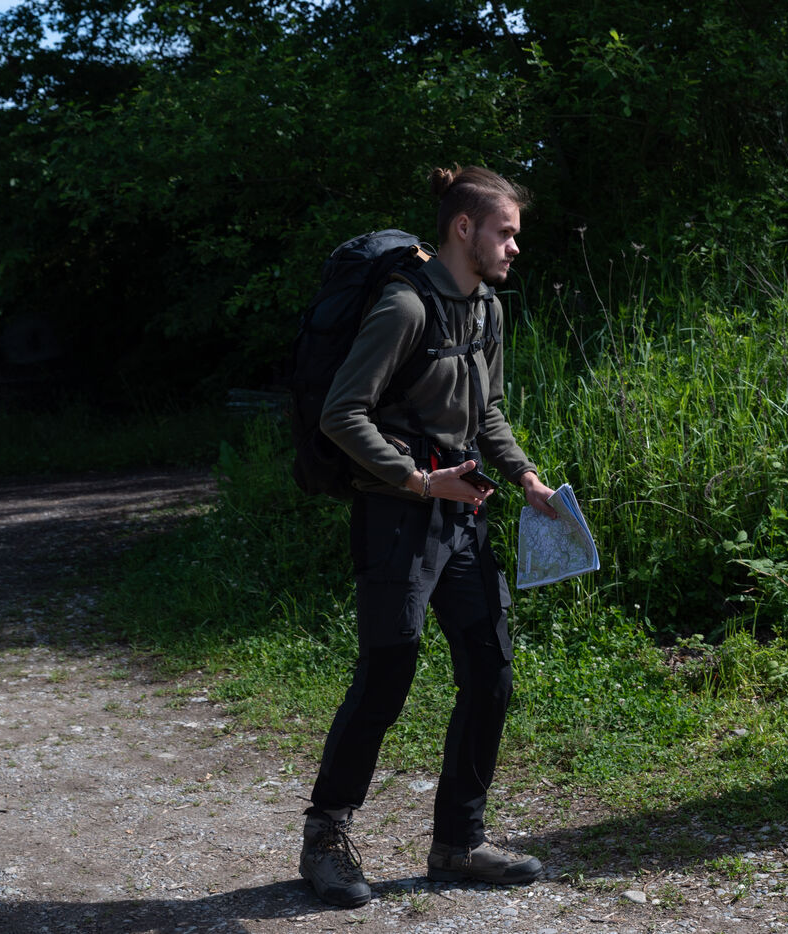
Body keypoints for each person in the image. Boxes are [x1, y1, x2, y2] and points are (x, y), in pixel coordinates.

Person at [299, 166, 559, 906]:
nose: (514, 246)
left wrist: (526, 478)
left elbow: (488, 411)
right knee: (387, 672)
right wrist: (416, 480)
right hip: (396, 517)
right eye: (505, 232)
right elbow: (341, 414)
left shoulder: (488, 310)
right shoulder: (405, 307)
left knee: (491, 672)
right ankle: (324, 839)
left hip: (462, 515)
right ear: (463, 228)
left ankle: (458, 843)